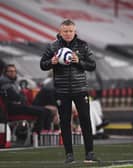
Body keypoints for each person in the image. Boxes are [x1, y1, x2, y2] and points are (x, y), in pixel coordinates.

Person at [40, 19, 99, 163]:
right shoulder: (53, 46)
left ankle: (89, 153)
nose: (68, 34)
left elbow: (92, 65)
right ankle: (69, 155)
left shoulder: (82, 45)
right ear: (60, 32)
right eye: (65, 31)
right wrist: (51, 62)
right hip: (61, 91)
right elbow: (42, 64)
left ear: (74, 31)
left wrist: (78, 61)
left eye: (70, 31)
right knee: (65, 122)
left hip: (80, 89)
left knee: (85, 120)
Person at [0, 64, 53, 135]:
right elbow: (15, 96)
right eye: (10, 71)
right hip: (11, 107)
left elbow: (20, 96)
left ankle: (47, 133)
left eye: (14, 71)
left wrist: (22, 96)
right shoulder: (4, 82)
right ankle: (36, 134)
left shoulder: (13, 82)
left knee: (48, 111)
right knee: (42, 112)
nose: (13, 73)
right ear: (5, 72)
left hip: (19, 105)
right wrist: (21, 95)